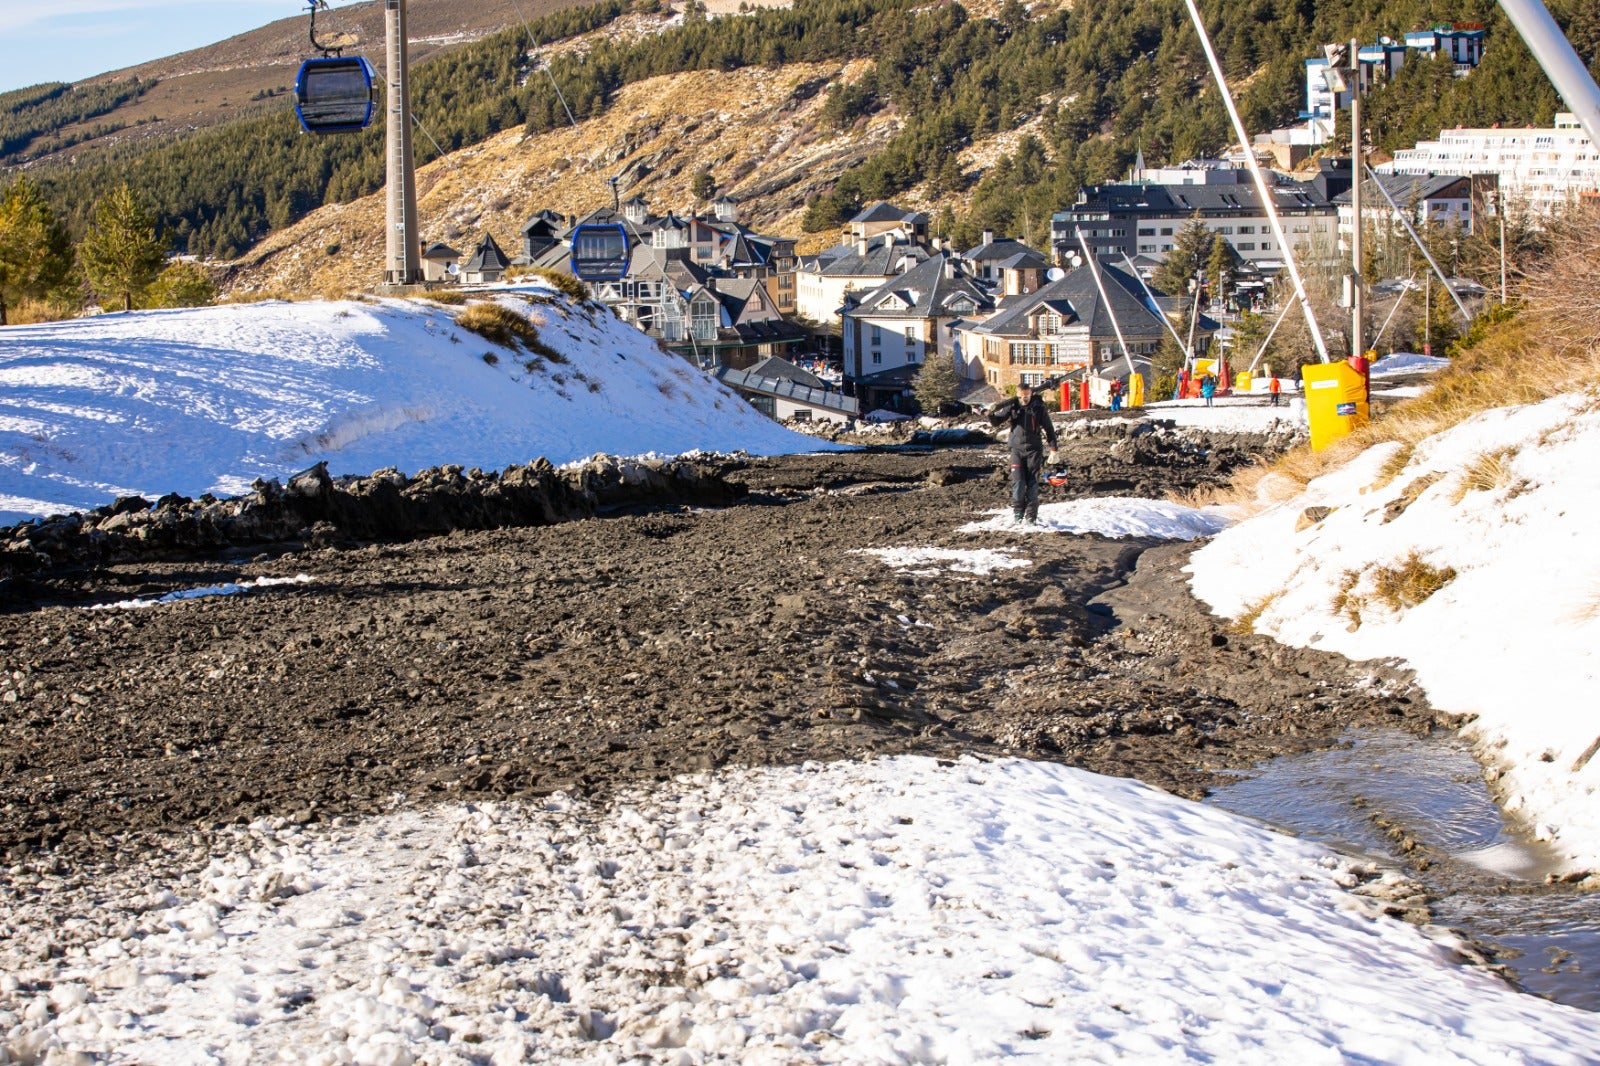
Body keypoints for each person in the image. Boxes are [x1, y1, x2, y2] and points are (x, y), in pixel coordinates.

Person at [988, 381, 1060, 525]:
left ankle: (1031, 516)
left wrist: (1053, 449)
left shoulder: (1038, 407)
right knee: (1018, 482)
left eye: (1026, 396)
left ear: (1031, 393)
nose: (1024, 399)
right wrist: (990, 414)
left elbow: (1048, 428)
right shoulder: (1012, 405)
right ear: (1017, 395)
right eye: (1021, 396)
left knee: (1032, 482)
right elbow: (997, 422)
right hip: (1016, 449)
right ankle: (1018, 513)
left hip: (1034, 449)